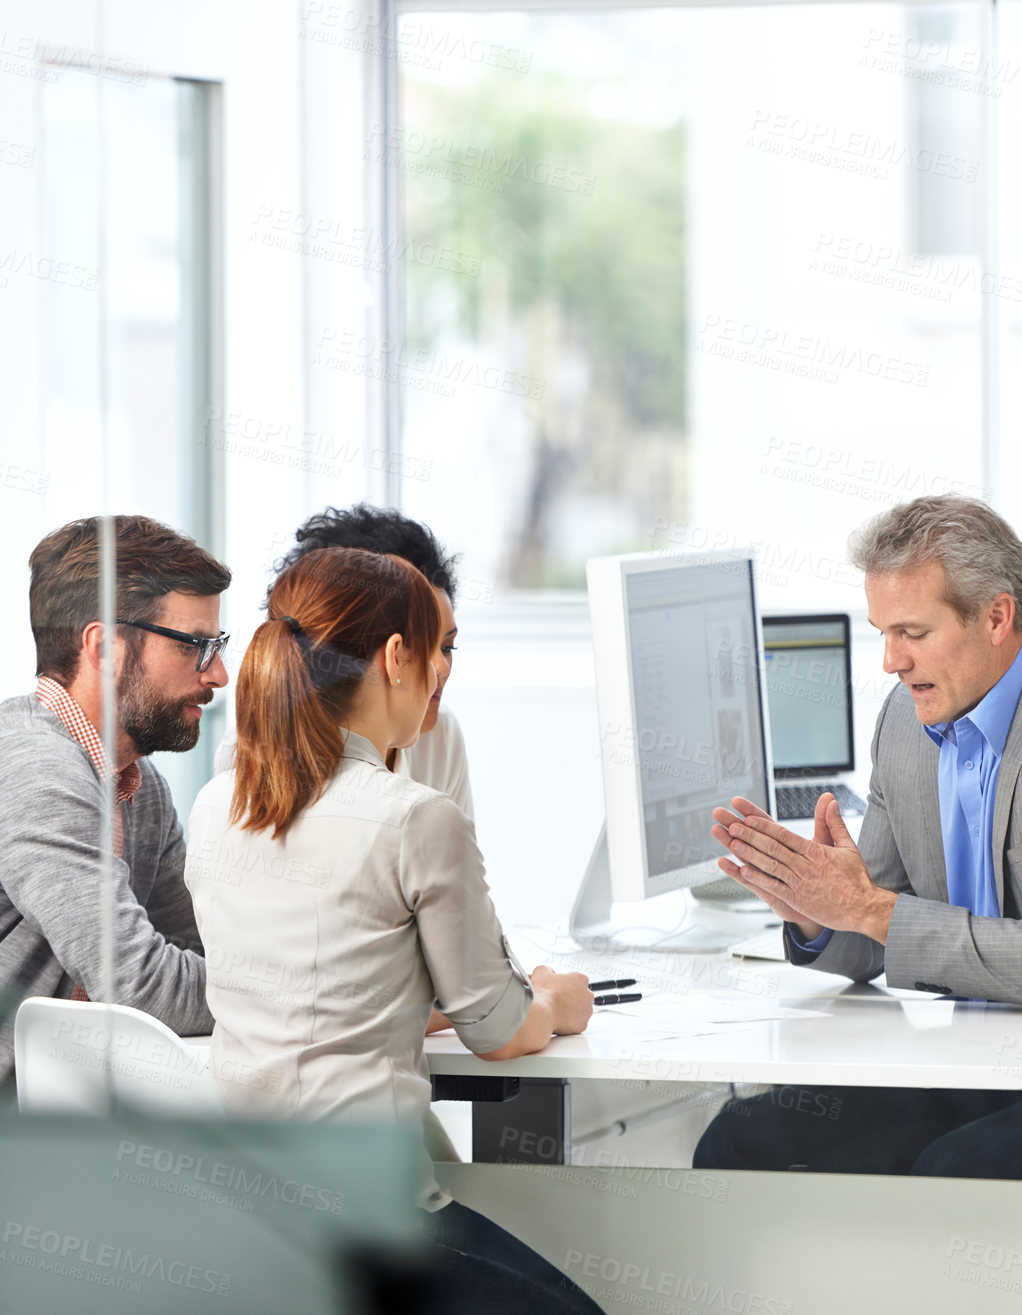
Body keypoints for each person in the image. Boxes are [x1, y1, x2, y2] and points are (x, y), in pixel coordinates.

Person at [185, 546, 599, 1315]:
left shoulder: (216, 804)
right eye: (435, 648)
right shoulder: (412, 816)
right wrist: (558, 1001)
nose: (443, 671)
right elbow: (498, 1028)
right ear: (394, 656)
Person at [695, 495, 1022, 1181]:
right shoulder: (905, 716)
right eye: (881, 632)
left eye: (911, 632)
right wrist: (818, 914)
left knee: (951, 1171)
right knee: (737, 1140)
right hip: (969, 1058)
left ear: (996, 617)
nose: (890, 660)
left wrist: (867, 908)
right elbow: (874, 926)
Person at [0, 515, 231, 1083]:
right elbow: (140, 985)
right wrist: (314, 1000)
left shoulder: (139, 784)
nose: (220, 674)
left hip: (65, 1127)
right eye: (196, 647)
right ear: (104, 647)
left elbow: (205, 948)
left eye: (217, 645)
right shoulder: (36, 770)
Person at [273, 504, 472, 817]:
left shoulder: (441, 737)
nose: (441, 668)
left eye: (447, 647)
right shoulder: (263, 749)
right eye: (415, 645)